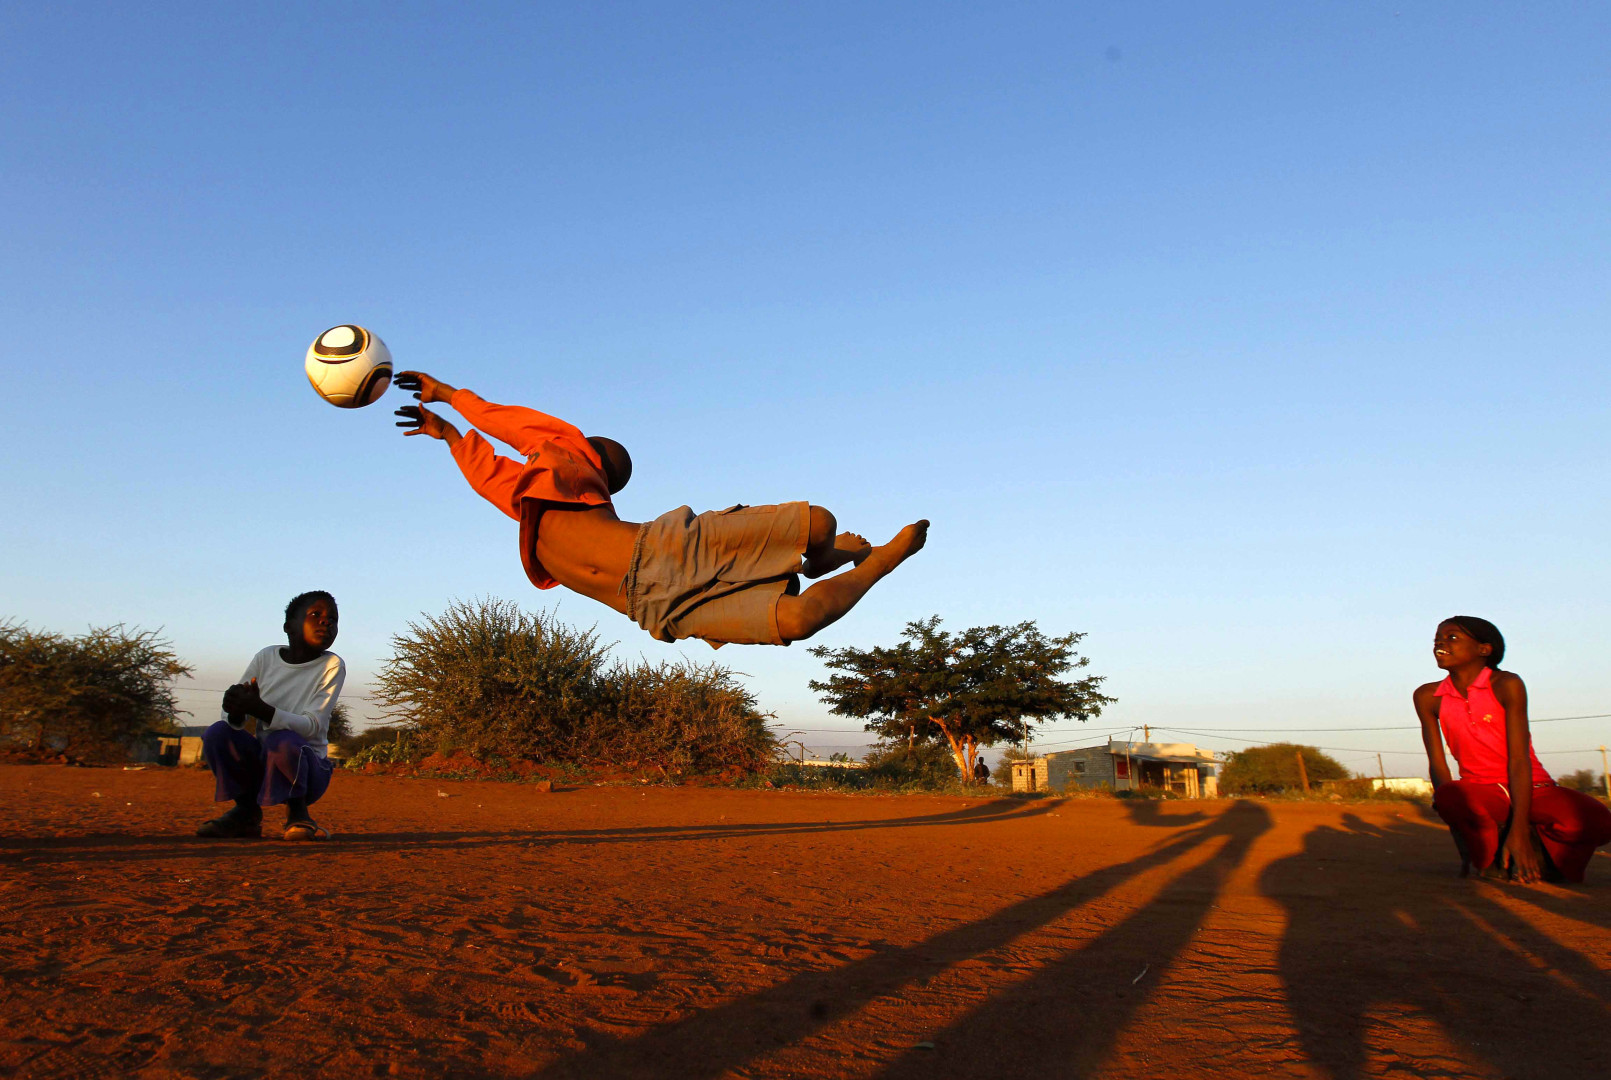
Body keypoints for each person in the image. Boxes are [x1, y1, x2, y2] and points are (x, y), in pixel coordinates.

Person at [392, 372, 928, 648]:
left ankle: (849, 557)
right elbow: (495, 455)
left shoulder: (570, 461)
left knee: (821, 523)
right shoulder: (540, 488)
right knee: (798, 619)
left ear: (595, 467)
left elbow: (504, 429)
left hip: (665, 549)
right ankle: (854, 562)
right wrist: (447, 417)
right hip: (652, 609)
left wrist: (450, 403)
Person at [1413, 616, 1611, 883]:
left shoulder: (1506, 684)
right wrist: (1455, 824)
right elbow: (1437, 763)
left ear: (1484, 649)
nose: (1440, 642)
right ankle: (1488, 859)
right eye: (1437, 638)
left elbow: (1518, 759)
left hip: (1533, 787)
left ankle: (1549, 857)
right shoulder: (1428, 696)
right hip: (1480, 790)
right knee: (1449, 795)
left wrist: (1518, 831)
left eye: (1452, 637)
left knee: (1598, 821)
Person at [197, 591, 345, 841]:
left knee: (283, 740)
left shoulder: (331, 665)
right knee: (217, 733)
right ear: (289, 626)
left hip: (308, 770)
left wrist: (260, 709)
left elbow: (312, 726)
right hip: (266, 762)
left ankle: (298, 812)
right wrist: (236, 710)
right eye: (315, 615)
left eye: (333, 618)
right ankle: (245, 812)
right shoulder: (266, 657)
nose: (326, 621)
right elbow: (233, 714)